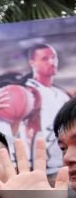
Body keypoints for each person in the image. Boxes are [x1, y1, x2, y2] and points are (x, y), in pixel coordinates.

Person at [26, 44, 73, 175]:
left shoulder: (62, 95)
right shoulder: (28, 92)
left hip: (65, 165)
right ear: (32, 63)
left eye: (54, 57)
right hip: (43, 170)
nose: (52, 62)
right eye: (45, 58)